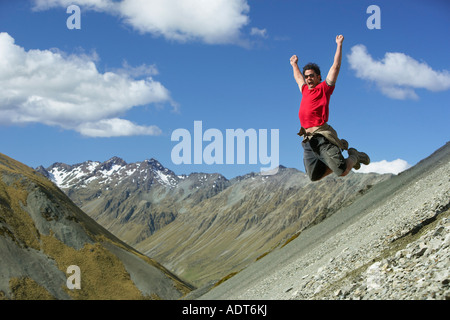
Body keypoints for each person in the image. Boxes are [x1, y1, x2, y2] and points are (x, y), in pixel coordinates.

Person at [290, 35, 370, 181]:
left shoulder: (324, 88)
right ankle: (337, 163)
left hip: (321, 137)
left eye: (312, 76)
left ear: (319, 77)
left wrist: (339, 45)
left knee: (342, 171)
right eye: (307, 76)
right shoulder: (305, 90)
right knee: (314, 176)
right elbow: (298, 78)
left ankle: (354, 156)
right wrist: (294, 64)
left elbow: (336, 66)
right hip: (308, 139)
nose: (308, 78)